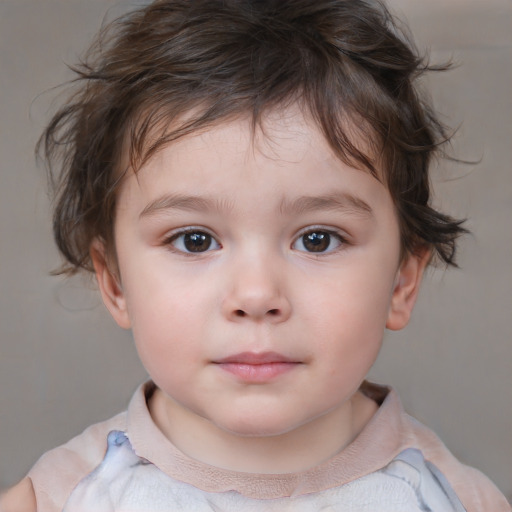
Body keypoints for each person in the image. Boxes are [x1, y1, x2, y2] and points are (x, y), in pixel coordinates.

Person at [1, 0, 510, 510]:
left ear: (402, 281)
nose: (256, 295)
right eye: (194, 240)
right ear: (113, 281)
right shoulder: (57, 499)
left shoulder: (456, 500)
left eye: (318, 239)